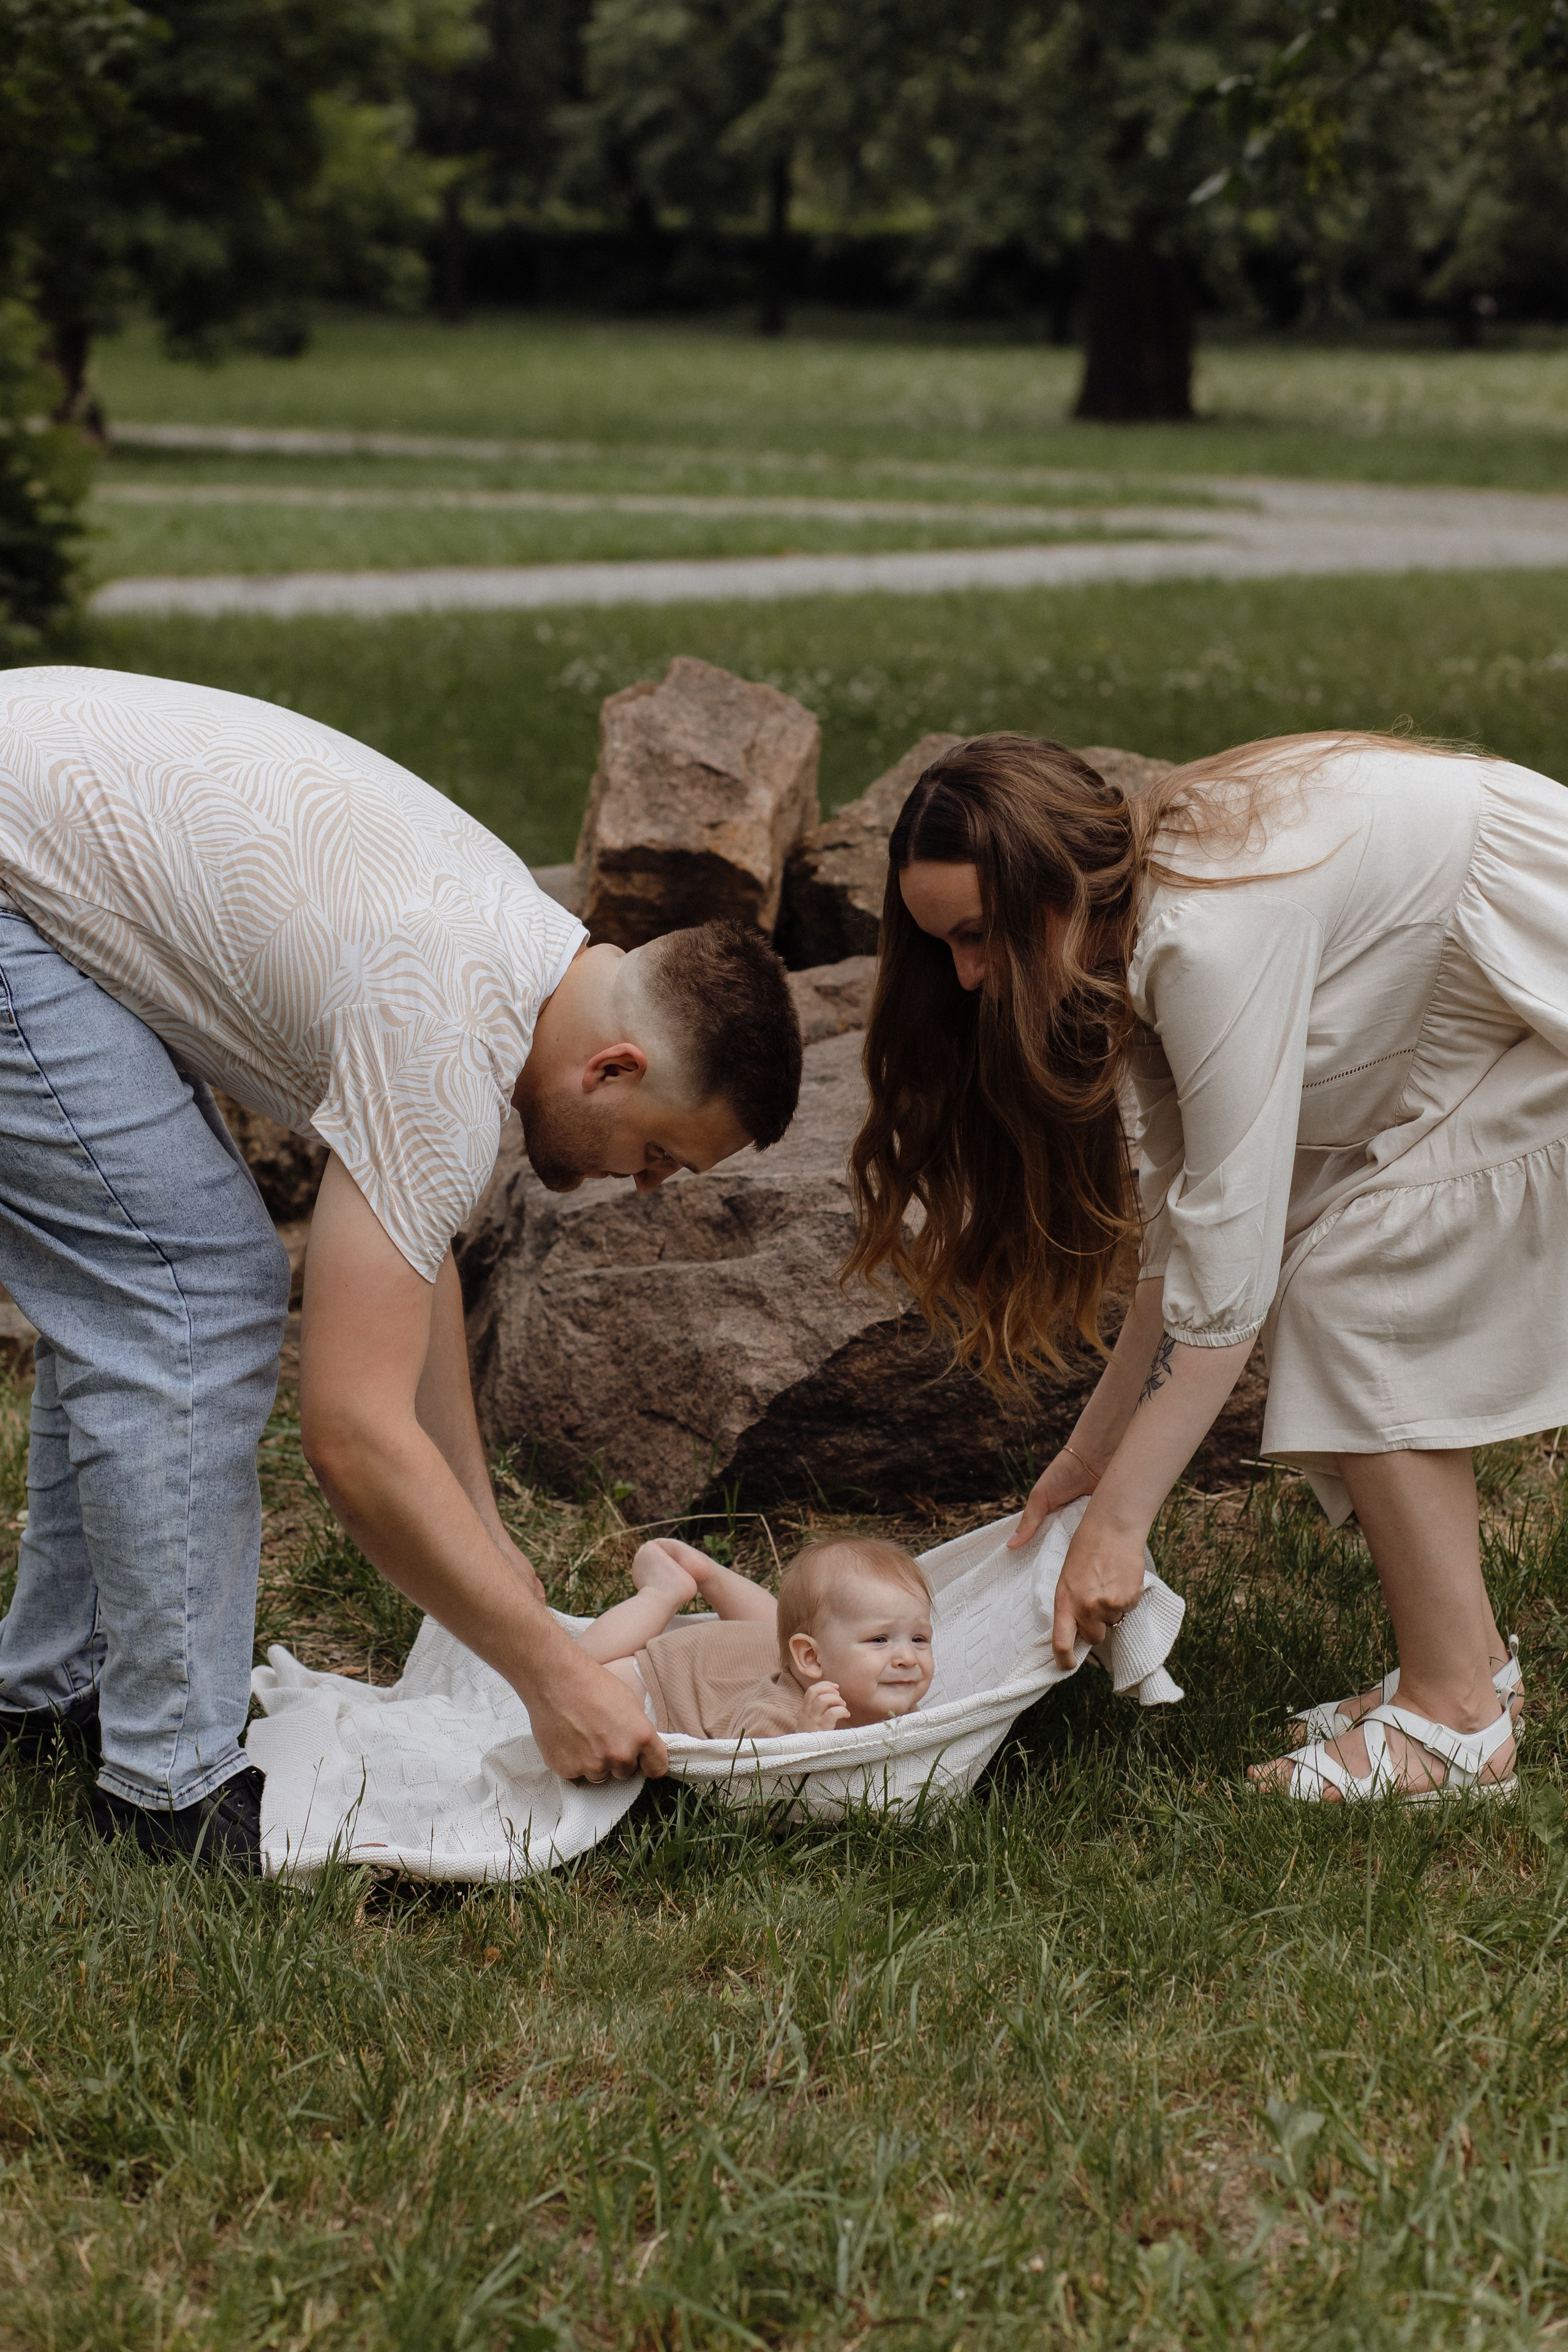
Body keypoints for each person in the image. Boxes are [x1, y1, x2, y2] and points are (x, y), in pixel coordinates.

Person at [0, 666, 803, 1864]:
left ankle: (48, 1695)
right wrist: (547, 1677)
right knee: (191, 1288)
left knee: (153, 1272)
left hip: (29, 867)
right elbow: (352, 1436)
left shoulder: (520, 964)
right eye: (656, 1159)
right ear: (615, 1070)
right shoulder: (446, 1029)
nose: (641, 1187)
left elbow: (408, 1260)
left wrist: (484, 1549)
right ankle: (167, 1790)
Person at [845, 727, 1561, 1804]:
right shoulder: (1129, 937)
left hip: (1538, 984)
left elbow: (1231, 1269)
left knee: (1354, 1281)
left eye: (982, 935)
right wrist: (1091, 1463)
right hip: (1503, 998)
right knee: (1340, 1268)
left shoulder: (1206, 941)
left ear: (1059, 889)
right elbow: (1183, 1240)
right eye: (945, 943)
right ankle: (1463, 1677)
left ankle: (1456, 1717)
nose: (969, 975)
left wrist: (1124, 1524)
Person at [577, 1532, 934, 1736]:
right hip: (677, 1675)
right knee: (579, 1676)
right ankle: (665, 1590)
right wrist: (805, 1741)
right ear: (811, 1659)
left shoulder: (891, 1695)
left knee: (781, 1628)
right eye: (880, 1640)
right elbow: (744, 1785)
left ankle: (709, 1573)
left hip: (751, 1649)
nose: (907, 1658)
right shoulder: (775, 1712)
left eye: (919, 1639)